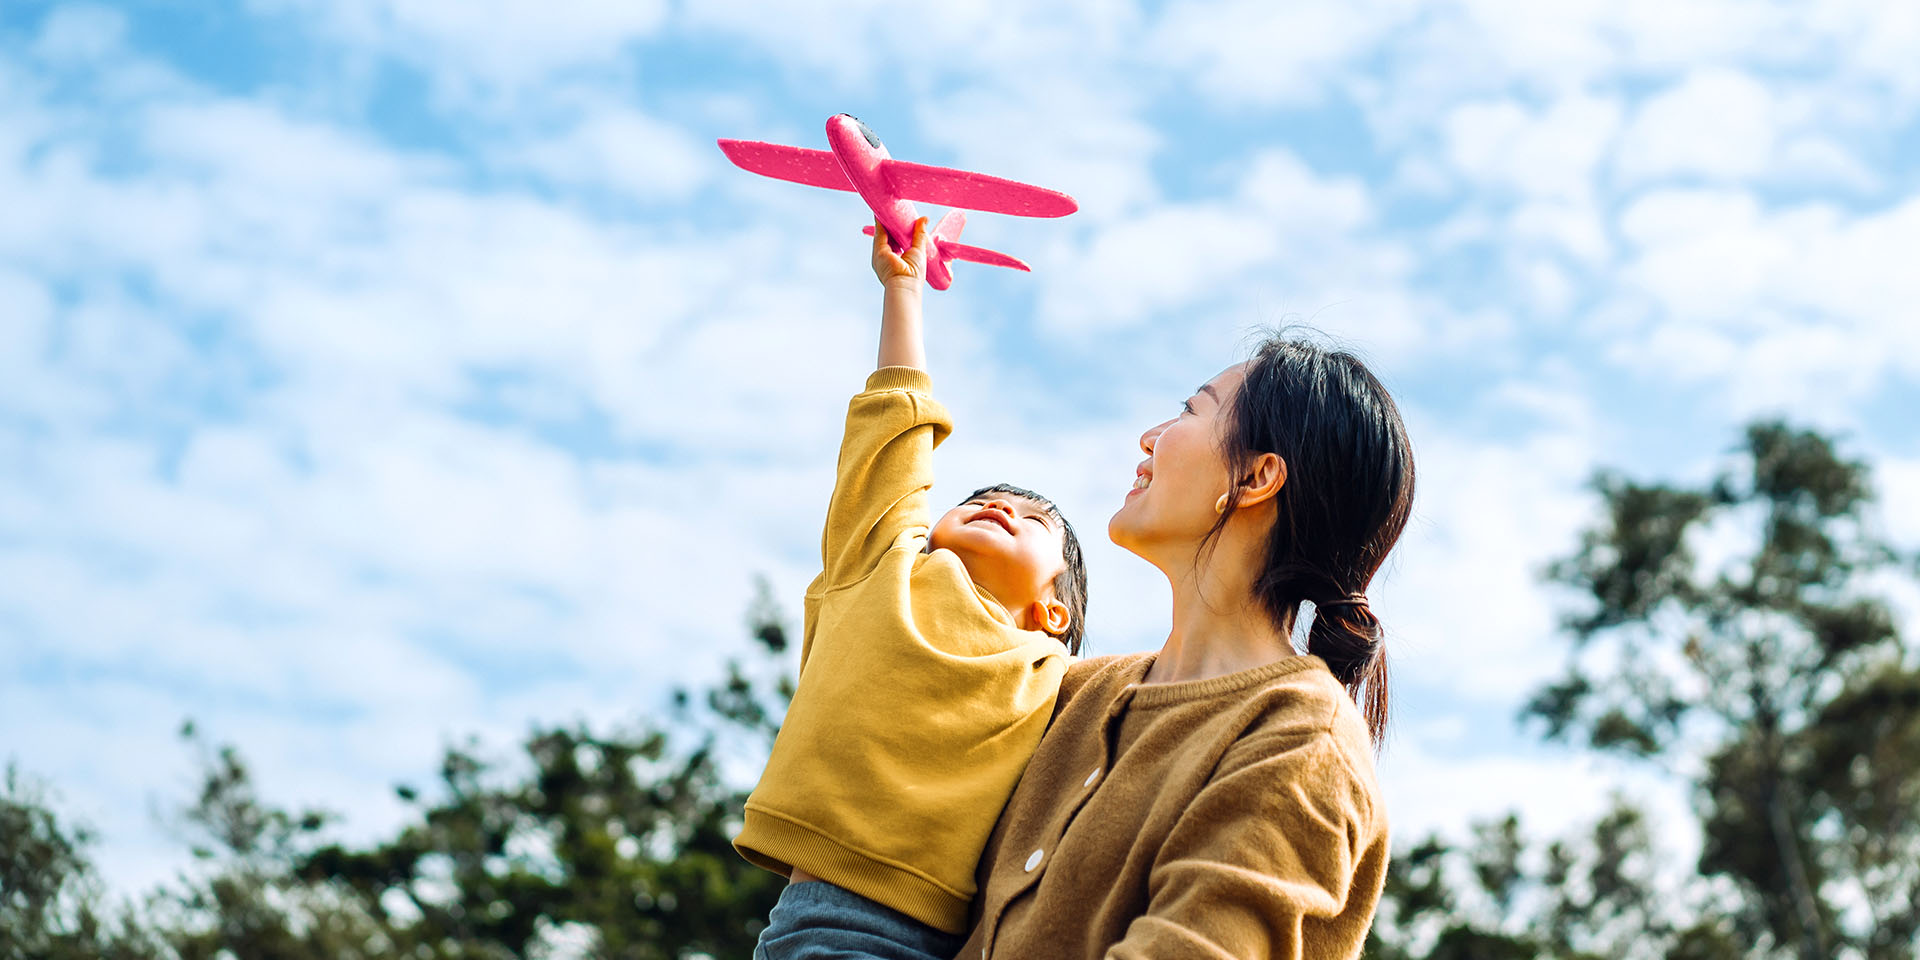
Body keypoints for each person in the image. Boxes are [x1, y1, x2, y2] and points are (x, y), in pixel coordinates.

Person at [956, 333, 1415, 959]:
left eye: (1191, 411)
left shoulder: (1302, 738)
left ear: (1255, 477)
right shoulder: (1072, 691)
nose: (1150, 436)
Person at [738, 217, 1090, 960]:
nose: (1003, 506)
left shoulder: (1049, 673)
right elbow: (896, 429)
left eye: (1032, 522)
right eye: (985, 497)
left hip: (945, 938)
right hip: (803, 918)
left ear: (1051, 611)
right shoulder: (884, 565)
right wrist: (904, 290)